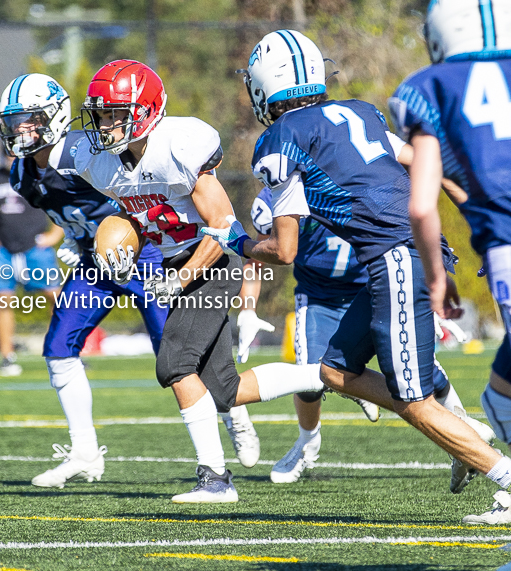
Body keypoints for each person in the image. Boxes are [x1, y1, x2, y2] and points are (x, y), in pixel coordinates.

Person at [201, 29, 508, 510]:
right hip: (396, 257)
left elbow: (284, 251)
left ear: (263, 85)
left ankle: (500, 472)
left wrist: (234, 240)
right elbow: (432, 168)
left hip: (393, 258)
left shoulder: (281, 137)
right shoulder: (360, 113)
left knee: (414, 401)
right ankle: (463, 436)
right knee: (334, 371)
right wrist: (489, 233)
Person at [75, 60, 330, 503]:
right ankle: (327, 375)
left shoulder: (177, 146)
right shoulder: (100, 163)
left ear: (147, 110)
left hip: (211, 263)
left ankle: (215, 479)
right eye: (102, 114)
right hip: (178, 265)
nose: (107, 124)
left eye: (118, 113)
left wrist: (181, 280)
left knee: (173, 364)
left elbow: (222, 224)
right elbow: (133, 208)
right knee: (224, 389)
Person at [239, 186, 491, 485]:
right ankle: (308, 441)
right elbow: (259, 256)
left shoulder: (352, 180)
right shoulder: (274, 202)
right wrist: (247, 309)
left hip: (372, 285)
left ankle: (462, 431)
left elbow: (409, 225)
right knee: (312, 383)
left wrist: (423, 290)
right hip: (319, 294)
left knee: (419, 369)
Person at [0, 73, 170, 488]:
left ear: (54, 117)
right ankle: (85, 453)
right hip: (94, 261)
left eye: (30, 119)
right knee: (58, 348)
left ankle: (228, 418)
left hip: (142, 254)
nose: (20, 128)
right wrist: (78, 237)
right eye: (14, 120)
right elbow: (67, 211)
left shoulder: (85, 153)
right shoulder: (22, 175)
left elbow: (137, 190)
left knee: (176, 358)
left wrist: (125, 230)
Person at [389, 0, 511, 523]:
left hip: (506, 242)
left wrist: (438, 277)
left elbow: (421, 205)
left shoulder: (431, 87)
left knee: (500, 406)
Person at [0, 153, 63, 376]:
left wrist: (56, 232)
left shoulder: (39, 174)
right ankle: (7, 357)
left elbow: (63, 197)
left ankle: (67, 352)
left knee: (58, 298)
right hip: (3, 249)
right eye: (9, 151)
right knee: (3, 299)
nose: (12, 156)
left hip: (36, 247)